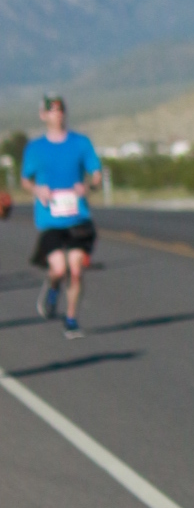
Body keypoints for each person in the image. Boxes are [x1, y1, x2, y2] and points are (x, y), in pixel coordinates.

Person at [22, 96, 103, 339]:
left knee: (75, 271)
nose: (57, 114)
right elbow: (26, 179)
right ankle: (53, 287)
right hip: (50, 219)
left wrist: (87, 186)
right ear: (43, 115)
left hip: (78, 218)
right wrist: (37, 190)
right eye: (52, 110)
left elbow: (96, 175)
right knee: (59, 269)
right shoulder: (35, 148)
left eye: (60, 109)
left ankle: (71, 320)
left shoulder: (81, 143)